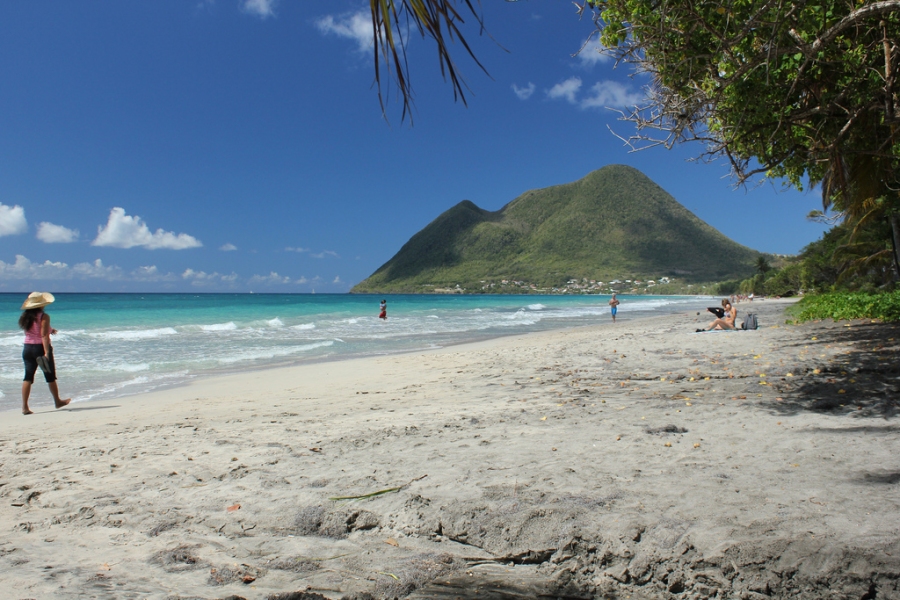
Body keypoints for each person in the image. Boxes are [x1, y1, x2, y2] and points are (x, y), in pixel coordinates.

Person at [19, 292, 70, 415]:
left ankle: (25, 407)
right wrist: (47, 352)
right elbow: (43, 335)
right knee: (50, 375)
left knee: (28, 377)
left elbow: (36, 330)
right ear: (41, 304)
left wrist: (51, 330)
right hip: (39, 348)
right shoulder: (44, 316)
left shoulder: (25, 317)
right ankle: (57, 401)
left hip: (27, 348)